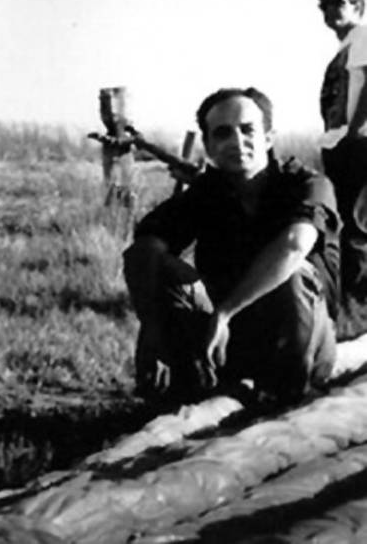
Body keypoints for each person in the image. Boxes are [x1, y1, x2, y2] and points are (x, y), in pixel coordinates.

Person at [123, 87, 339, 403]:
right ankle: (192, 384)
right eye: (223, 133)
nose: (237, 141)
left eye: (248, 130)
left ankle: (289, 393)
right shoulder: (206, 194)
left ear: (268, 138)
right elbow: (145, 247)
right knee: (160, 266)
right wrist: (152, 325)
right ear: (209, 146)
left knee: (292, 273)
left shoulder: (308, 184)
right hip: (230, 340)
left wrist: (225, 312)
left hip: (303, 343)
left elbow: (295, 244)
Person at [318, 0, 367, 313]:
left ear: (357, 7)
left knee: (358, 225)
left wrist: (353, 131)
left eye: (337, 2)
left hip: (359, 145)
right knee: (347, 223)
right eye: (324, 5)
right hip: (343, 146)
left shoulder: (361, 38)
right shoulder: (345, 48)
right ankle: (351, 299)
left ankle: (358, 303)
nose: (329, 10)